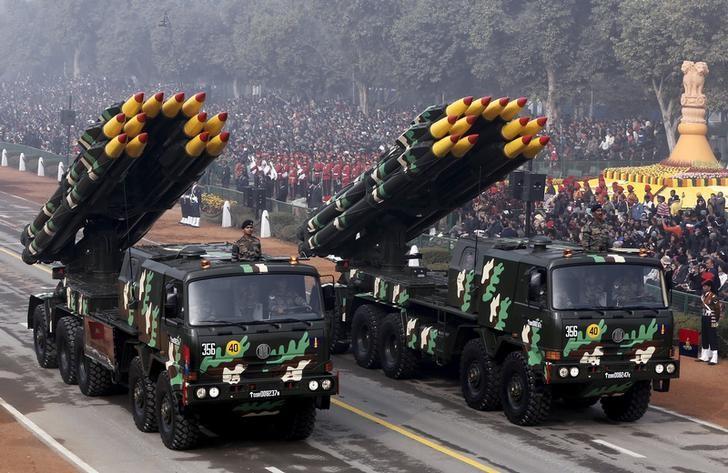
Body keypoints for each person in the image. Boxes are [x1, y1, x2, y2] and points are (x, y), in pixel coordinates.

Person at [698, 274, 721, 365]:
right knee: (705, 336)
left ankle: (714, 357)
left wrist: (716, 321)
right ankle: (705, 355)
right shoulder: (703, 296)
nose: (704, 287)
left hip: (712, 318)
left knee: (712, 337)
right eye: (703, 286)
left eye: (706, 286)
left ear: (709, 287)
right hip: (704, 317)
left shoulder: (713, 297)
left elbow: (718, 310)